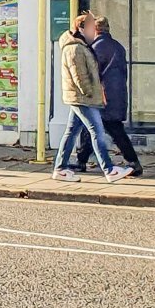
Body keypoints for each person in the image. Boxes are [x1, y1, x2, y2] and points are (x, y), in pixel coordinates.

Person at [53, 11, 134, 183]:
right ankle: (109, 170)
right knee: (96, 131)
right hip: (83, 98)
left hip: (81, 97)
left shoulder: (82, 46)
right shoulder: (75, 48)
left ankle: (60, 168)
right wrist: (91, 93)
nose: (92, 32)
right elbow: (80, 76)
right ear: (81, 29)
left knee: (72, 132)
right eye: (90, 28)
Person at [71, 15, 142, 177]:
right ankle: (81, 160)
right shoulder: (117, 46)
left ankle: (133, 163)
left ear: (95, 30)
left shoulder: (96, 48)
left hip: (103, 97)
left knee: (104, 130)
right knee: (99, 130)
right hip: (116, 96)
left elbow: (93, 74)